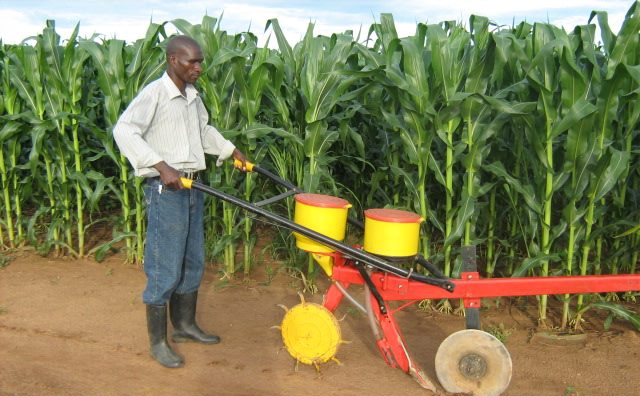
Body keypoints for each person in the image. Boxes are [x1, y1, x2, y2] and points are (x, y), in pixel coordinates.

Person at [113, 35, 248, 368]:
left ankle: (185, 326)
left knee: (193, 260)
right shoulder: (155, 94)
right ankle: (158, 342)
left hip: (193, 188)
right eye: (192, 62)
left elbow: (204, 132)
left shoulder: (192, 97)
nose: (199, 68)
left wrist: (231, 152)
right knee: (165, 266)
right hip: (167, 191)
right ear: (173, 60)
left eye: (200, 61)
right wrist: (160, 165)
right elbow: (124, 130)